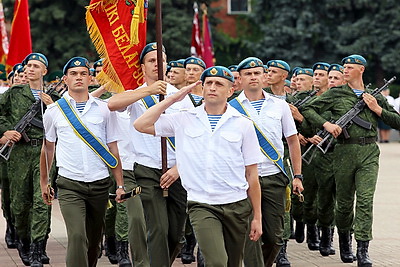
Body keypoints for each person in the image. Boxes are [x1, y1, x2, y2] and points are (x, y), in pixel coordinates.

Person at [134, 65, 263, 267]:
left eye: (219, 84)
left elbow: (251, 175)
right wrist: (173, 99)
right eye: (208, 83)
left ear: (230, 91)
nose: (212, 87)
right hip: (202, 204)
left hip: (236, 204)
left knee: (233, 263)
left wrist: (257, 216)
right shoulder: (184, 119)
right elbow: (141, 125)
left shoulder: (243, 124)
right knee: (217, 262)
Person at [302, 54, 400, 266]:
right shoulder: (336, 93)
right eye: (344, 67)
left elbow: (397, 121)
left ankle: (363, 248)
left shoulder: (373, 96)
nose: (344, 70)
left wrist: (377, 108)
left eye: (349, 67)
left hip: (369, 152)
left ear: (361, 70)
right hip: (343, 152)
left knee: (365, 201)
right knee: (345, 204)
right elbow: (307, 109)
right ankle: (345, 243)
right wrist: (326, 124)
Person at [108, 42, 193, 267]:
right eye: (152, 61)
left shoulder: (182, 97)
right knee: (157, 227)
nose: (157, 64)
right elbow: (112, 104)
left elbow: (194, 136)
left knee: (176, 233)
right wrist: (148, 91)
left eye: (161, 60)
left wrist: (178, 169)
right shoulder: (136, 94)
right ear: (143, 66)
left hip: (177, 170)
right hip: (146, 168)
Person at [39, 56, 125, 267]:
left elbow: (112, 147)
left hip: (100, 184)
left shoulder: (104, 109)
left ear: (90, 79)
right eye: (73, 74)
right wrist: (44, 182)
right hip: (69, 184)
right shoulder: (54, 111)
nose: (79, 77)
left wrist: (121, 184)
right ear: (65, 80)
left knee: (94, 243)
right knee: (77, 236)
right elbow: (48, 147)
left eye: (83, 74)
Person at [234, 57, 303, 267]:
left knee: (275, 237)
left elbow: (292, 141)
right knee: (248, 235)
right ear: (240, 79)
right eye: (248, 74)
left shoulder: (280, 106)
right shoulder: (231, 108)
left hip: (274, 177)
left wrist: (298, 176)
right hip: (242, 179)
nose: (253, 77)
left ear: (264, 76)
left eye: (257, 73)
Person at [0, 53, 57, 267]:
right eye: (28, 65)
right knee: (20, 204)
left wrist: (52, 106)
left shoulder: (54, 97)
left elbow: (67, 121)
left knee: (43, 200)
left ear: (44, 71)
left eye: (35, 66)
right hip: (20, 154)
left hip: (44, 151)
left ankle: (37, 248)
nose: (30, 69)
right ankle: (23, 241)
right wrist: (6, 131)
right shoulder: (14, 93)